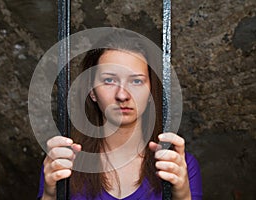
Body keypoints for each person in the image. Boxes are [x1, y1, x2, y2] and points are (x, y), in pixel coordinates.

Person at [37, 30, 202, 200]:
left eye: (136, 81)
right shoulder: (62, 161)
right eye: (109, 80)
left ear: (151, 91)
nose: (122, 95)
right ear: (92, 91)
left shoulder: (179, 165)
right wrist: (50, 194)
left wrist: (182, 195)